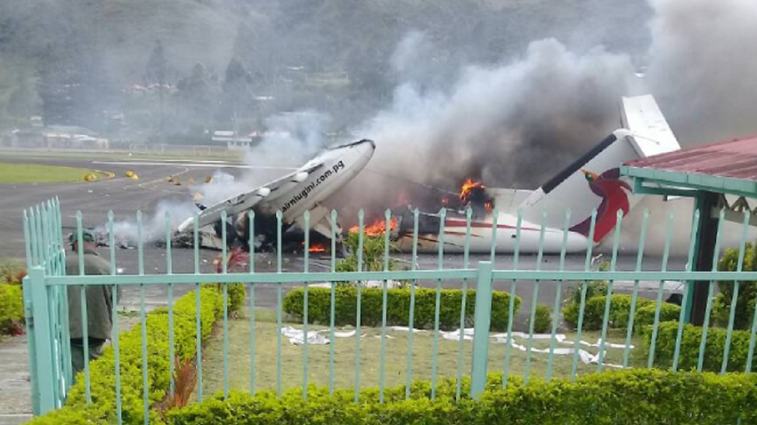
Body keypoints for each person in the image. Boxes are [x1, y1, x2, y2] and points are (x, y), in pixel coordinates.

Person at [66, 229, 119, 379]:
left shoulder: (64, 265)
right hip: (98, 325)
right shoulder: (107, 266)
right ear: (95, 244)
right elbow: (115, 296)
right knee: (96, 371)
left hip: (71, 327)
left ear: (74, 245)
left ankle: (76, 397)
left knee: (75, 369)